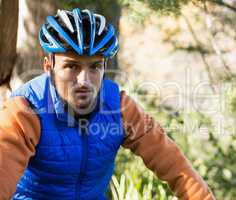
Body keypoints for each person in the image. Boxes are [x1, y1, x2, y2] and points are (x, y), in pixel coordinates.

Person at [0, 8, 215, 200]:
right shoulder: (26, 109)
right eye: (72, 66)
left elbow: (173, 163)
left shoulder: (118, 107)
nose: (84, 80)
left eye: (94, 67)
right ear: (49, 66)